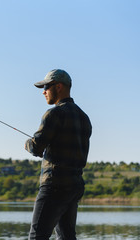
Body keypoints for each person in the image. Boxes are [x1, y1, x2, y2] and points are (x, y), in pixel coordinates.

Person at [25, 69, 92, 240]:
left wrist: (27, 144)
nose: (44, 91)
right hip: (75, 185)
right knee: (66, 237)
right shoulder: (84, 117)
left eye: (47, 87)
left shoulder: (53, 114)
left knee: (37, 236)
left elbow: (36, 147)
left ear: (59, 86)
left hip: (54, 185)